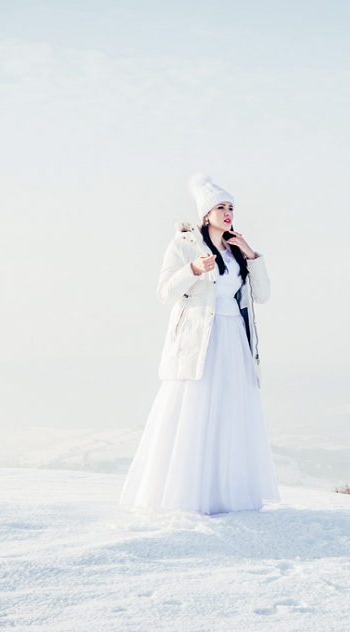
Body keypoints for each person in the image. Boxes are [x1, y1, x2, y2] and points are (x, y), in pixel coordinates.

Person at [120, 174, 280, 516]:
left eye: (231, 207)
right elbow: (164, 293)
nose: (228, 213)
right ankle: (188, 495)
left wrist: (251, 254)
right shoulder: (184, 245)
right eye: (221, 207)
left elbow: (263, 295)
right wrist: (192, 269)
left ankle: (228, 496)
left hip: (234, 338)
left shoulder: (236, 251)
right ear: (206, 214)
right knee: (195, 409)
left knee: (231, 413)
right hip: (200, 339)